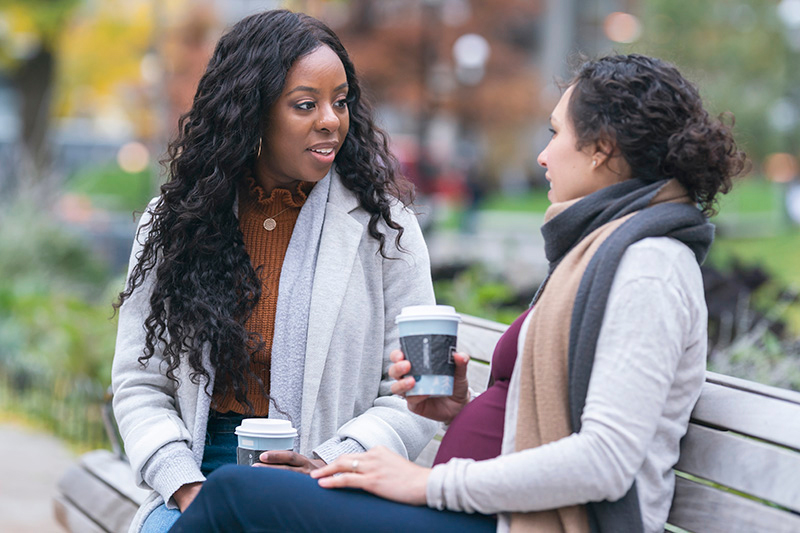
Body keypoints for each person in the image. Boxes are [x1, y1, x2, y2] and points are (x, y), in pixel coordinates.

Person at [169, 54, 747, 533]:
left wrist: (425, 480)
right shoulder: (608, 251)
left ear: (600, 147)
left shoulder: (649, 268)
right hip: (488, 509)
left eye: (556, 133)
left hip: (512, 521)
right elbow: (549, 428)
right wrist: (458, 413)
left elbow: (605, 460)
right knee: (260, 489)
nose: (544, 155)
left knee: (238, 495)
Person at [111, 9, 438, 533]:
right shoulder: (175, 223)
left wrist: (333, 461)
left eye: (341, 101)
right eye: (305, 104)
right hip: (200, 471)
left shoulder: (385, 227)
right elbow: (139, 383)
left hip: (328, 481)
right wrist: (182, 482)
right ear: (252, 113)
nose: (331, 119)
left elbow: (416, 392)